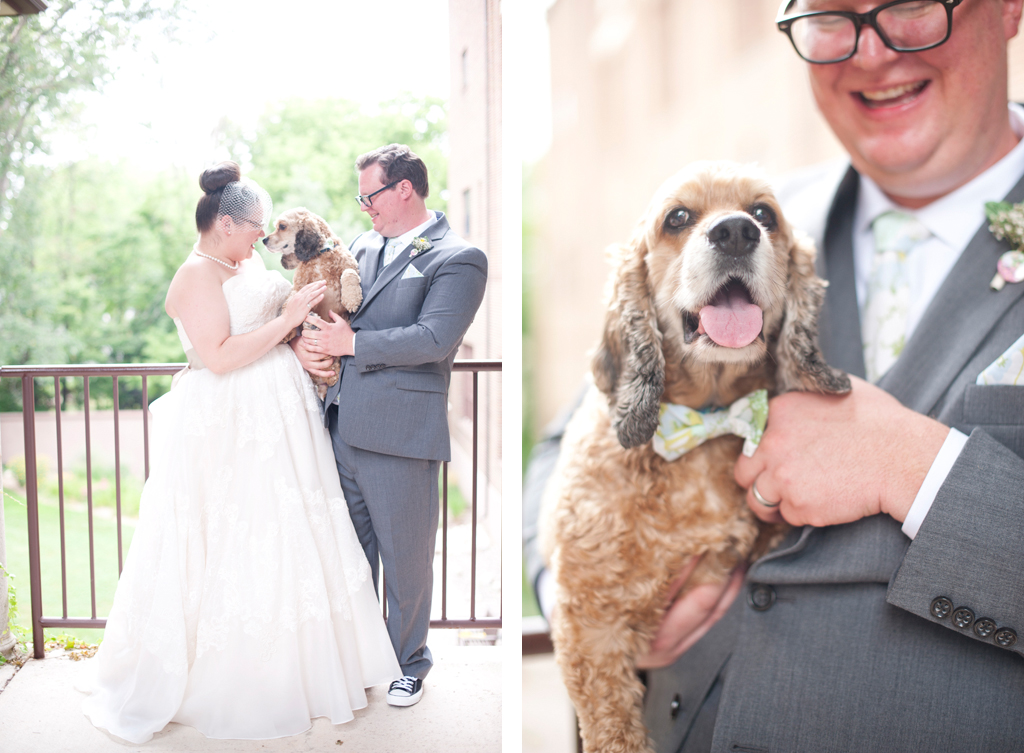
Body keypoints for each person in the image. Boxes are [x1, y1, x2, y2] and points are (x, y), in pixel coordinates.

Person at [524, 1, 1024, 750]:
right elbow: (562, 444)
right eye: (831, 15)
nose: (872, 53)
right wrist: (579, 603)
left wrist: (917, 468)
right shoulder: (751, 219)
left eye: (914, 3)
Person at [82, 161, 401, 743]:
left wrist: (302, 344)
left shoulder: (243, 259)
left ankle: (312, 670)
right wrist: (287, 321)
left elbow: (276, 322)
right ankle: (240, 677)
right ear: (225, 223)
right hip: (231, 421)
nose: (262, 235)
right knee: (240, 533)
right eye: (255, 224)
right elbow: (222, 356)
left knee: (295, 532)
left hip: (283, 411)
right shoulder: (192, 278)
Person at [290, 144, 487, 707]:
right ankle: (361, 660)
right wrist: (310, 345)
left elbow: (434, 340)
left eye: (370, 195)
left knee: (405, 559)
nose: (363, 206)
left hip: (402, 434)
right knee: (351, 558)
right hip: (341, 424)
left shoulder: (458, 256)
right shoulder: (358, 245)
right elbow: (333, 312)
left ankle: (409, 665)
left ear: (405, 189)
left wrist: (352, 344)